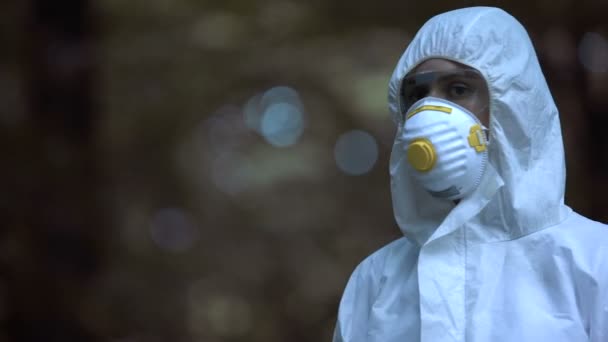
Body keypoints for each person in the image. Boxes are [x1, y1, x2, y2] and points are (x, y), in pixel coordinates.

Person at [332, 6, 608, 342]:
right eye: (416, 96)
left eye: (459, 90)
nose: (428, 113)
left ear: (514, 103)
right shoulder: (374, 282)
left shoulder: (594, 260)